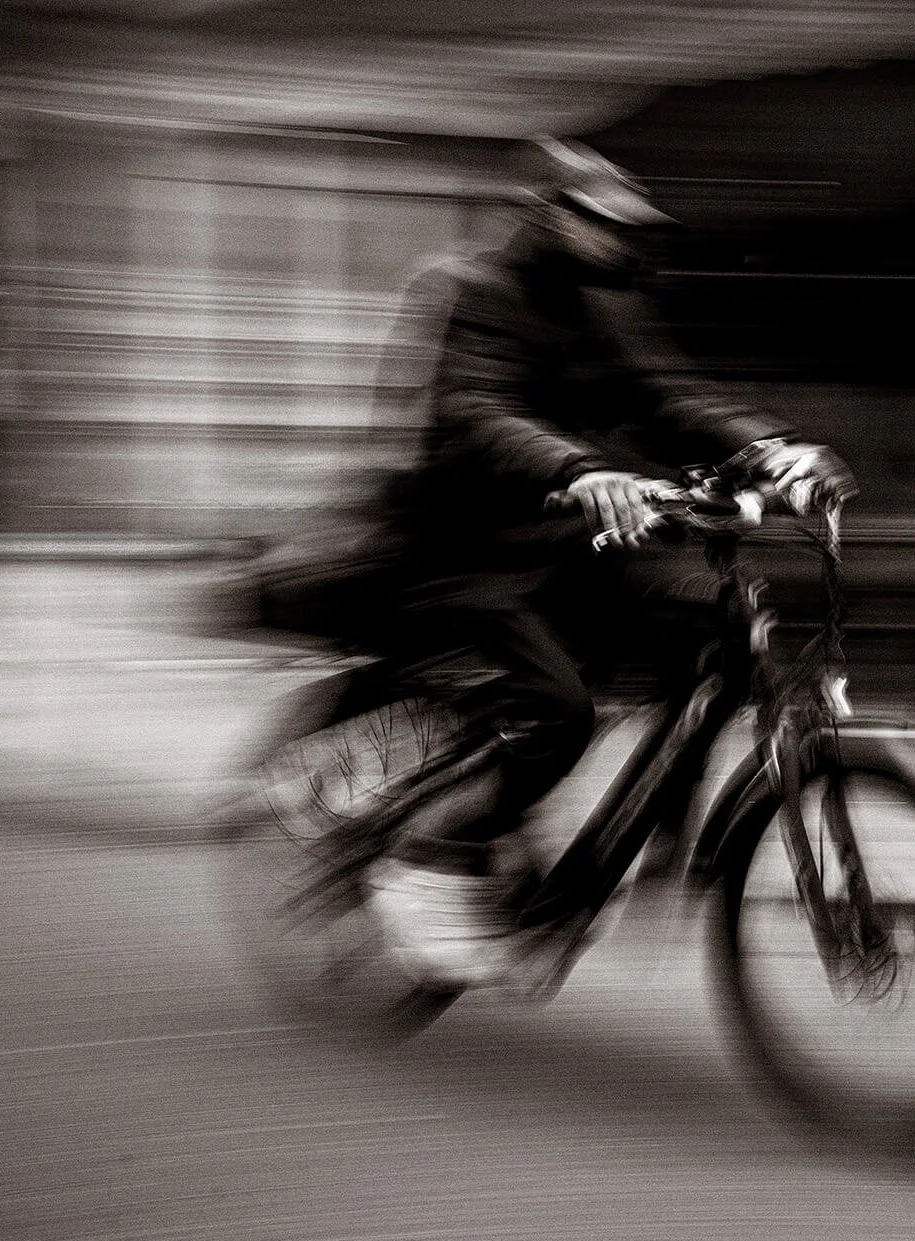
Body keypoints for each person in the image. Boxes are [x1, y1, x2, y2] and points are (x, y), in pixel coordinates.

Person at [362, 135, 854, 986]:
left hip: (568, 546)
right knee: (560, 713)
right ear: (548, 217)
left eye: (626, 228)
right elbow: (473, 411)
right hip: (468, 550)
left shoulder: (603, 305)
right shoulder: (472, 292)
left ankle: (652, 841)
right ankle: (432, 855)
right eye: (600, 224)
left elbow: (665, 395)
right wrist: (580, 469)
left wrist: (774, 449)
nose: (618, 242)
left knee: (714, 627)